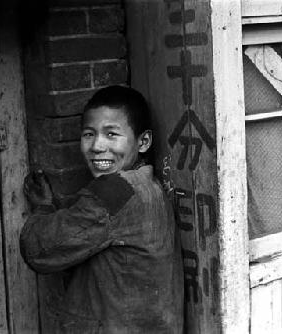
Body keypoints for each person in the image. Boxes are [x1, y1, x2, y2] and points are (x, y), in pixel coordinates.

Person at [20, 85, 183, 333]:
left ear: (144, 141)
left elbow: (38, 249)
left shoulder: (116, 192)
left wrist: (42, 208)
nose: (97, 145)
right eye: (88, 134)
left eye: (111, 134)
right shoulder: (147, 185)